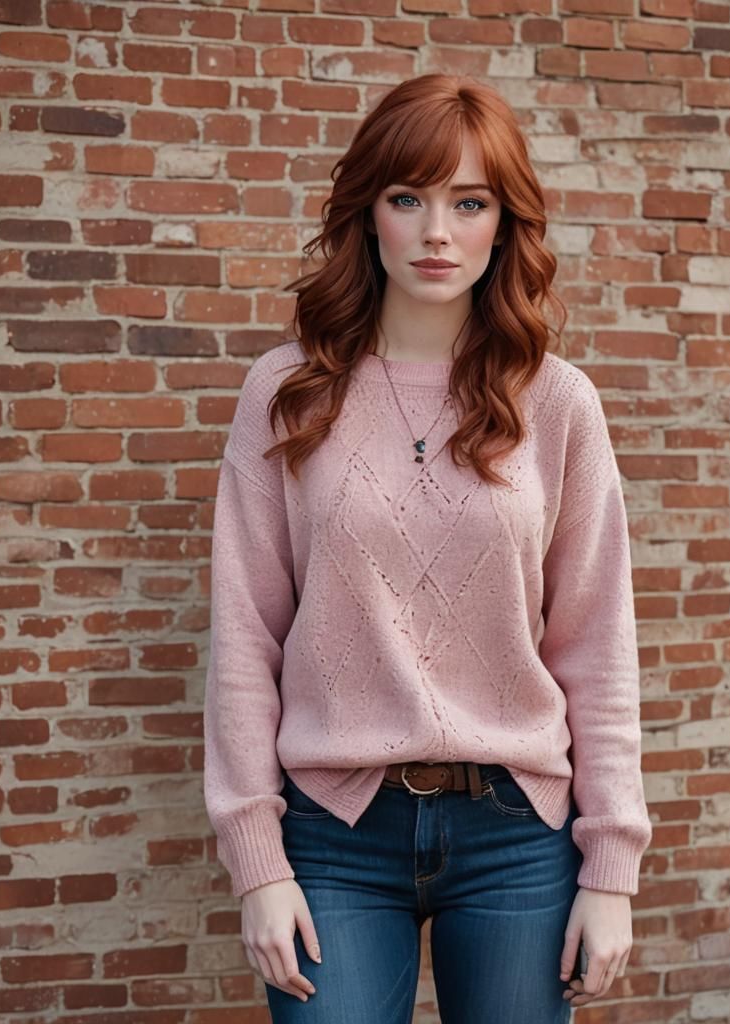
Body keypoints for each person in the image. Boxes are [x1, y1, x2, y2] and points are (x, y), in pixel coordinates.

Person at [202, 72, 653, 1024]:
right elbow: (245, 633)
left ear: (504, 222)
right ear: (368, 215)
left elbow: (597, 644)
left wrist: (610, 866)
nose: (437, 231)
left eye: (469, 201)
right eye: (408, 198)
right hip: (333, 832)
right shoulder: (288, 392)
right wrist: (256, 860)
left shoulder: (558, 401)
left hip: (517, 834)